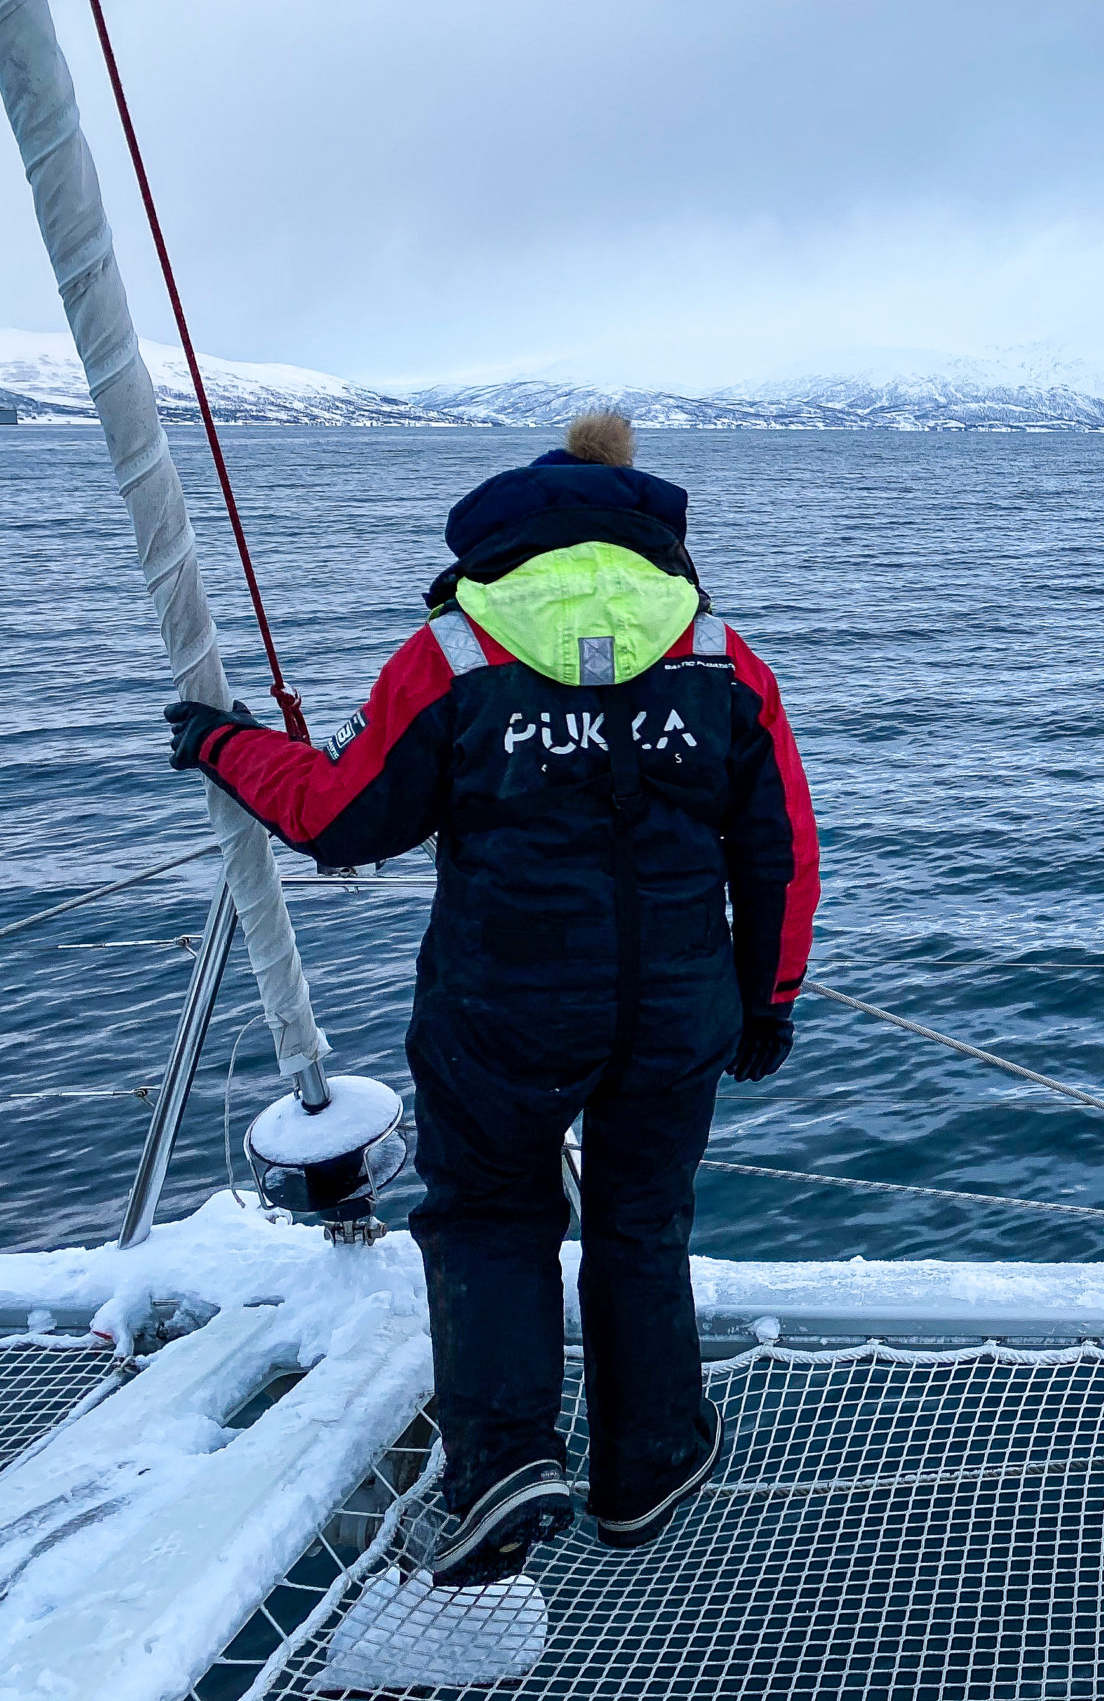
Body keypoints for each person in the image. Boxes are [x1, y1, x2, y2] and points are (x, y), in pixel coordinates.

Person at [165, 410, 819, 1586]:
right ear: (645, 526)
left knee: (490, 1220)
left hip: (501, 1011)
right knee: (639, 1221)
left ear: (508, 530)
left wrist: (224, 745)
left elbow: (340, 816)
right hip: (678, 1008)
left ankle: (503, 1468)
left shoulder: (455, 658)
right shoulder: (721, 659)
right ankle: (649, 1466)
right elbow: (781, 849)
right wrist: (767, 997)